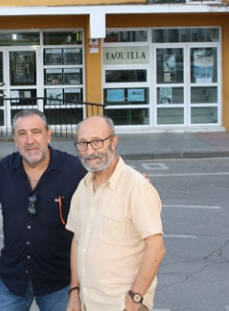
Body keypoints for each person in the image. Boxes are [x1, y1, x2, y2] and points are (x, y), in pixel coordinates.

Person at [0, 109, 88, 311]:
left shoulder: (74, 169)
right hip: (13, 281)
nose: (30, 140)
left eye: (36, 132)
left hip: (59, 282)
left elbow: (105, 184)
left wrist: (134, 184)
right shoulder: (5, 168)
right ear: (15, 139)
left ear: (48, 135)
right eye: (22, 134)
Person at [66, 116, 165, 311]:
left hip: (122, 305)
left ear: (113, 141)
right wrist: (74, 292)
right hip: (88, 304)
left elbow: (157, 249)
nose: (90, 151)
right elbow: (78, 241)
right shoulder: (83, 187)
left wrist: (135, 299)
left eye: (97, 141)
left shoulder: (136, 186)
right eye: (83, 144)